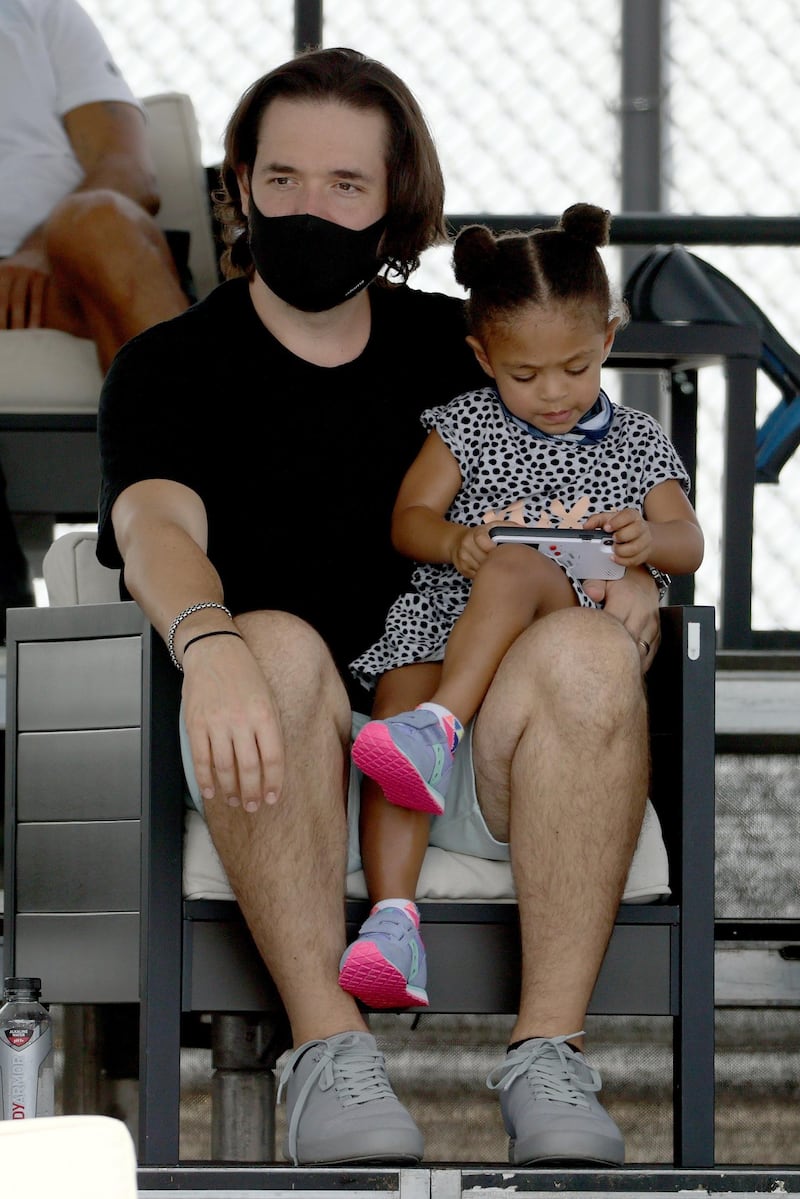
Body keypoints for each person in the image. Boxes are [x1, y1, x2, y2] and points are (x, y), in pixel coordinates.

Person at [96, 46, 666, 1168]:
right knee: (277, 641)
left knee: (592, 656)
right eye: (282, 180)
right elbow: (152, 527)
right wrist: (205, 642)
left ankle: (547, 1049)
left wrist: (631, 575)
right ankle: (327, 1047)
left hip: (459, 740)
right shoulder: (169, 368)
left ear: (393, 203)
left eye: (345, 186)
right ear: (241, 188)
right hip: (275, 746)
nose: (309, 208)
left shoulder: (468, 349)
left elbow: (587, 481)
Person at [341, 207, 704, 1011]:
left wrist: (647, 539)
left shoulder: (637, 440)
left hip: (561, 631)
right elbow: (410, 519)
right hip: (448, 622)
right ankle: (392, 920)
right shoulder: (464, 424)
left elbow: (690, 541)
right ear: (483, 357)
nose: (552, 394)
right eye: (523, 374)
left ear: (609, 337)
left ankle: (441, 727)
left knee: (517, 561)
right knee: (396, 703)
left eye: (574, 369)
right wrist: (452, 543)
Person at [0, 0, 191, 633]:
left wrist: (33, 251)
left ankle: (223, 518)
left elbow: (129, 168)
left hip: (63, 262)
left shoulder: (41, 14)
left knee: (99, 219)